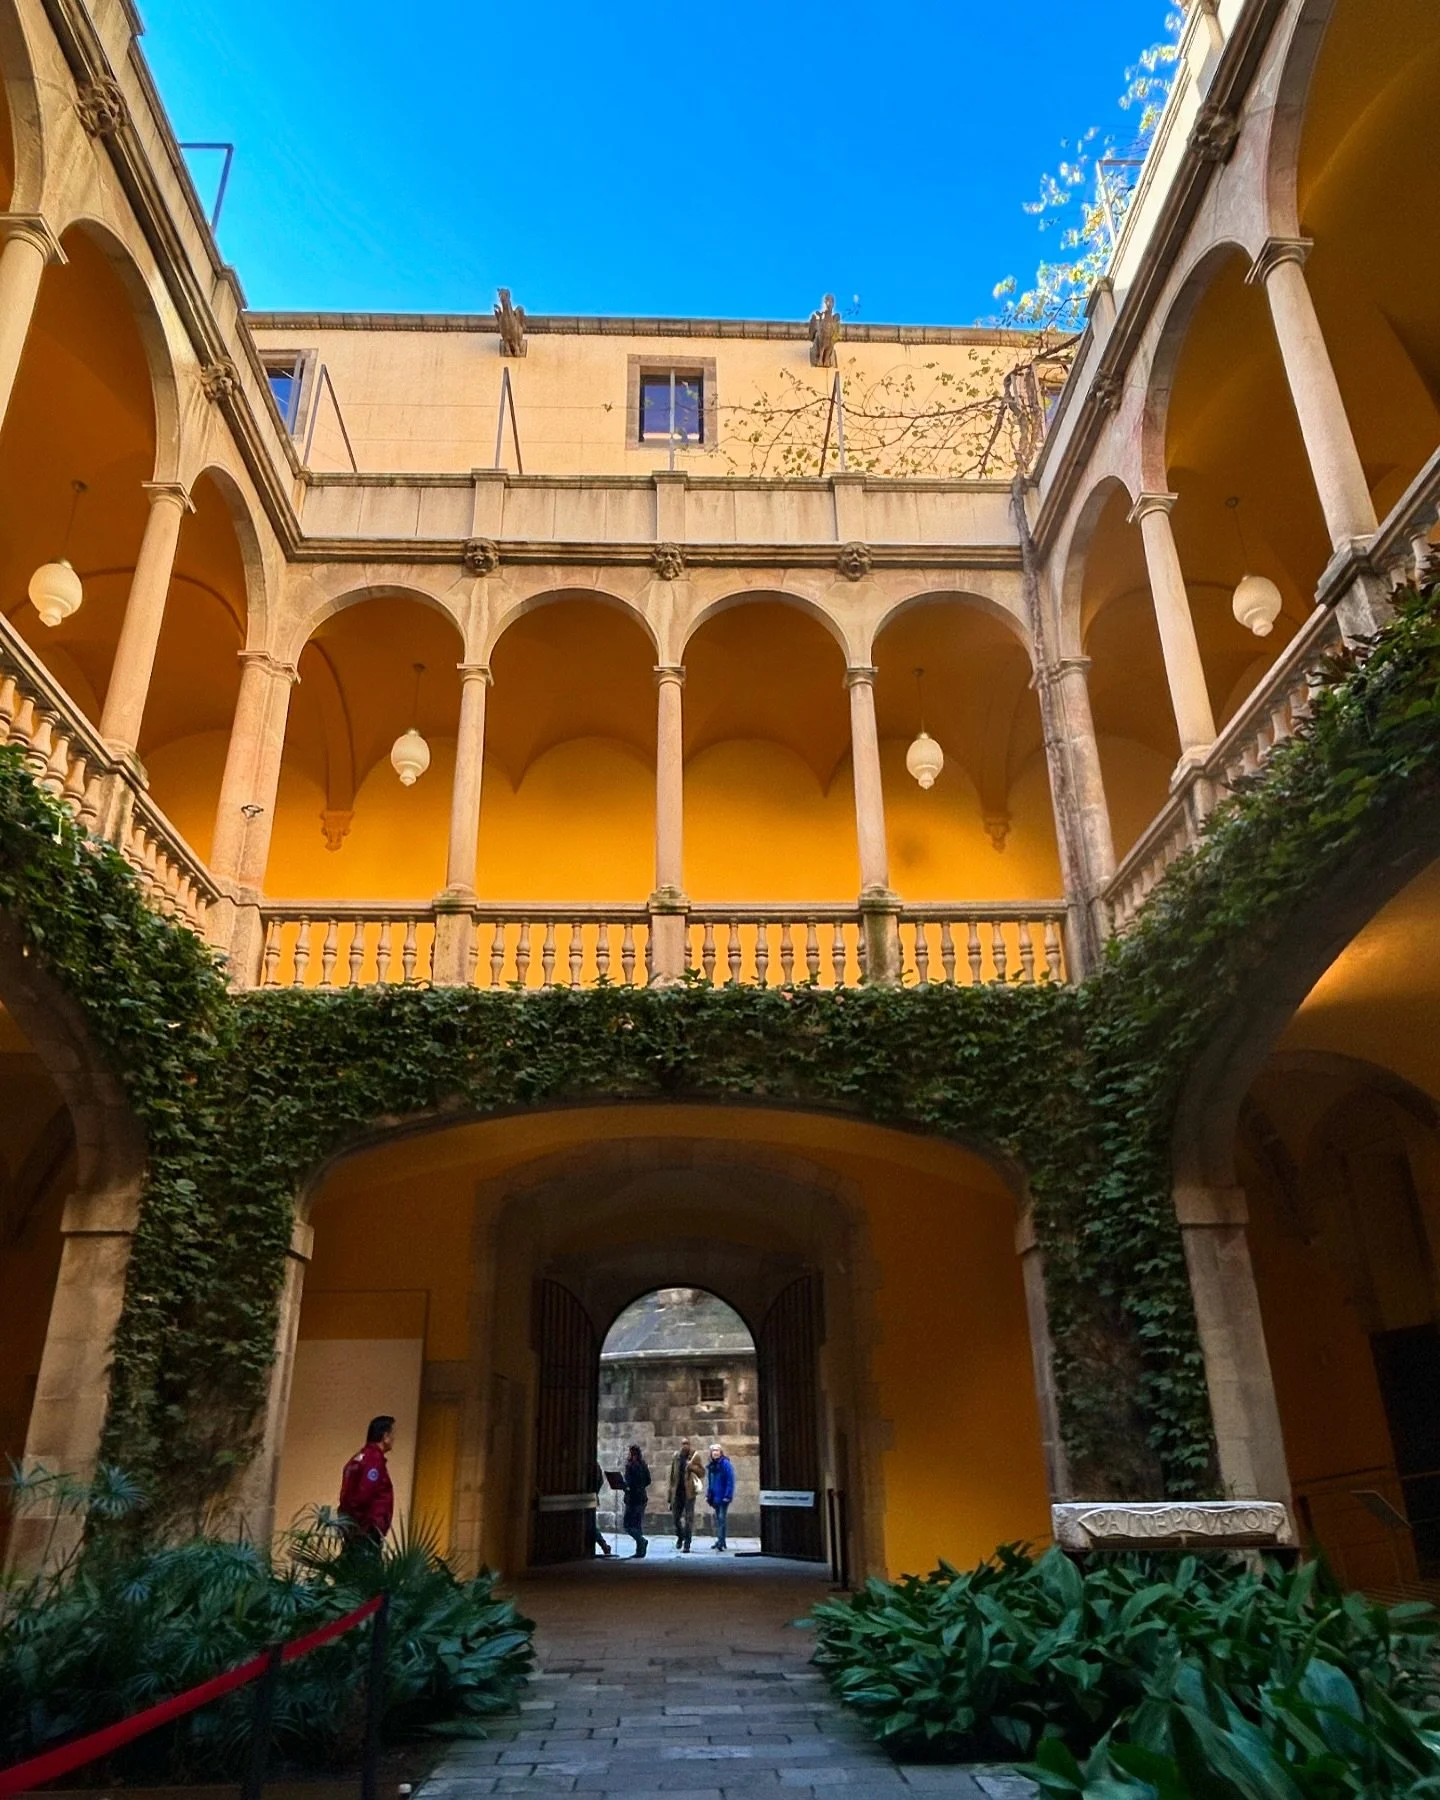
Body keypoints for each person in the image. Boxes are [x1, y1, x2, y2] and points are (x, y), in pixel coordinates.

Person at [338, 1414, 395, 1548]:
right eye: (392, 1434)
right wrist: (364, 1526)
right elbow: (364, 1494)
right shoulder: (374, 1460)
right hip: (366, 1530)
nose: (394, 1439)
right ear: (385, 1436)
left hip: (355, 1527)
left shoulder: (359, 1457)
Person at [669, 1437, 704, 1552]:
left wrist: (692, 1467)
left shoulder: (694, 1456)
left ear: (690, 1445)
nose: (685, 1446)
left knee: (689, 1519)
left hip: (689, 1494)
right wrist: (670, 1497)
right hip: (677, 1493)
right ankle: (680, 1536)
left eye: (687, 1444)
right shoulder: (676, 1457)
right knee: (675, 1519)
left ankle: (687, 1544)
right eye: (683, 1444)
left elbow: (702, 1472)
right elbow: (672, 1478)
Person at [621, 1442, 651, 1558]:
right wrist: (640, 1486)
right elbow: (648, 1480)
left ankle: (641, 1541)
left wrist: (626, 1487)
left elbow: (628, 1482)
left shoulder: (630, 1466)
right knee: (637, 1525)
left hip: (633, 1498)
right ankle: (640, 1551)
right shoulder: (643, 1465)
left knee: (628, 1525)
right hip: (642, 1497)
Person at [706, 1441, 735, 1552]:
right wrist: (709, 1494)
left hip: (723, 1496)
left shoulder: (725, 1464)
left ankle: (721, 1542)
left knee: (721, 1519)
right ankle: (721, 1540)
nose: (715, 1453)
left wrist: (728, 1495)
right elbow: (711, 1482)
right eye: (713, 1451)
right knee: (719, 1519)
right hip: (715, 1497)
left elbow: (730, 1480)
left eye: (717, 1451)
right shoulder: (712, 1466)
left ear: (721, 1452)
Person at [587, 1458, 612, 1557]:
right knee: (590, 1524)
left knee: (590, 1524)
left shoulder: (590, 1465)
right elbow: (600, 1481)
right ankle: (603, 1545)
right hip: (592, 1497)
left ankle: (603, 1545)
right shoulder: (595, 1466)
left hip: (589, 1498)